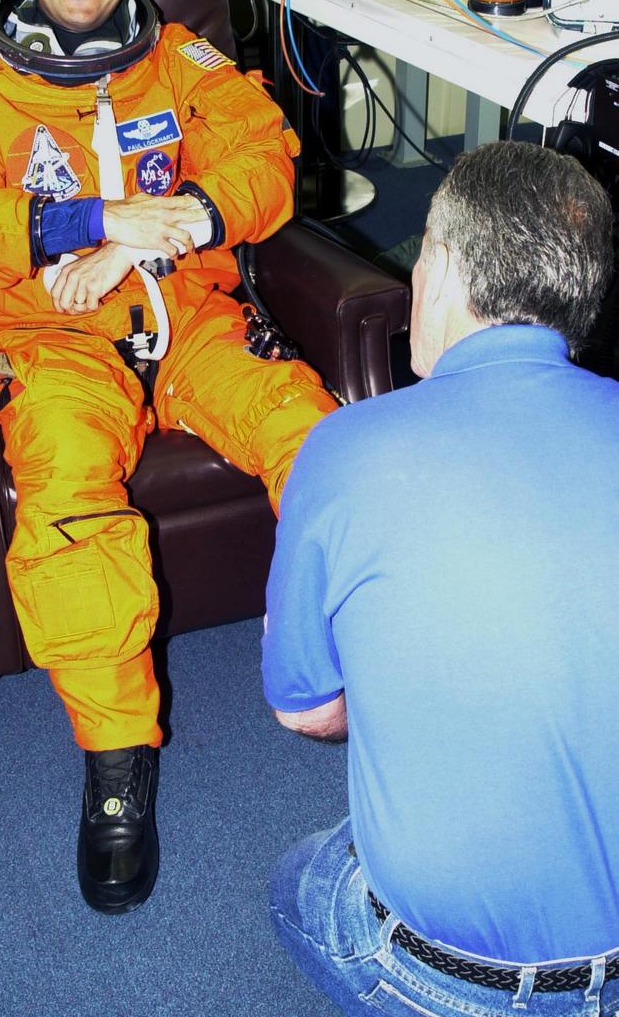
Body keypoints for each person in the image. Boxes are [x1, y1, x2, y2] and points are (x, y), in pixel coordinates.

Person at [0, 0, 336, 914]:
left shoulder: (182, 61)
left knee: (316, 439)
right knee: (66, 486)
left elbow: (264, 158)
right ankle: (115, 762)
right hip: (54, 335)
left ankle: (347, 656)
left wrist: (158, 230)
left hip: (189, 316)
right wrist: (95, 219)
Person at [261, 141, 619, 1015]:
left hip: (452, 980)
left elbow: (306, 710)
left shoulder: (346, 447)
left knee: (300, 876)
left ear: (445, 267)